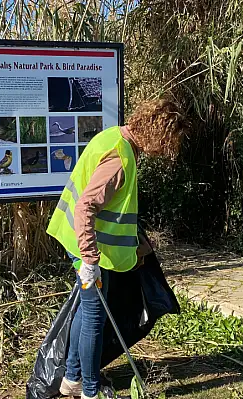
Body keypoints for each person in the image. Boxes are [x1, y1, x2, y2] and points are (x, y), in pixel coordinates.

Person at [46, 98, 189, 399]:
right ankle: (88, 391)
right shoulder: (120, 159)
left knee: (88, 312)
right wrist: (89, 259)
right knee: (94, 317)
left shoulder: (114, 136)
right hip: (84, 246)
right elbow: (86, 206)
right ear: (159, 134)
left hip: (80, 240)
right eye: (169, 142)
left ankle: (72, 380)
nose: (166, 151)